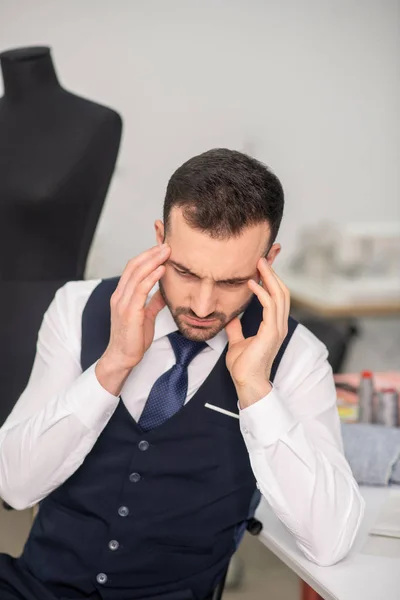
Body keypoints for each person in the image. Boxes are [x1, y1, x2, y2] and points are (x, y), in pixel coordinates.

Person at [0, 149, 364, 600]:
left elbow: (331, 541)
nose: (203, 304)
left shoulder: (298, 358)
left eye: (232, 281)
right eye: (186, 272)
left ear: (269, 261)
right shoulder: (77, 308)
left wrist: (256, 390)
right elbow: (13, 486)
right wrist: (112, 365)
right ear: (160, 239)